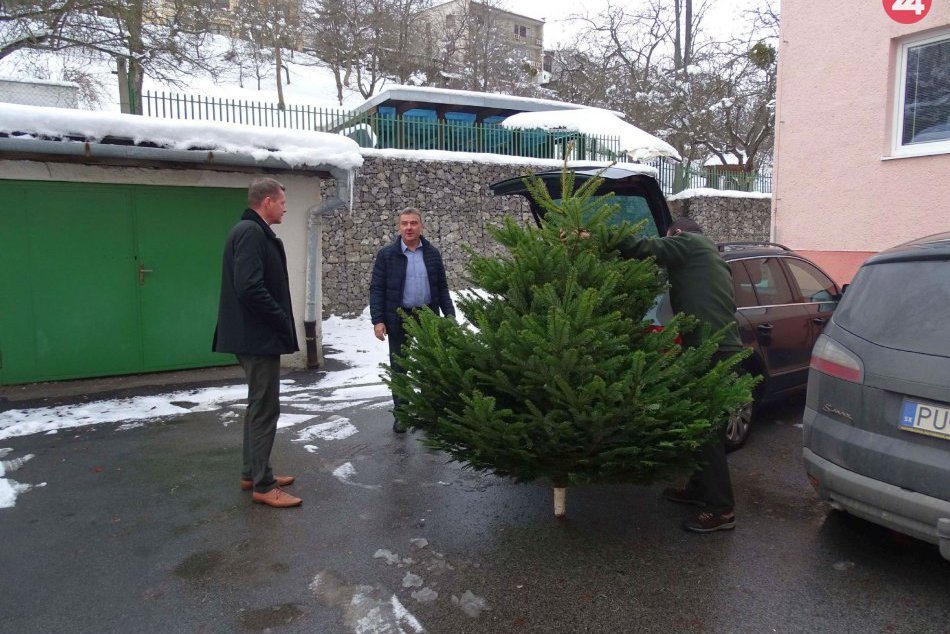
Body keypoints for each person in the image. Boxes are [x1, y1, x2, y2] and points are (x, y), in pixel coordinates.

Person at [618, 216, 744, 533]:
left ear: (676, 233)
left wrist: (600, 237)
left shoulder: (688, 242)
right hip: (722, 345)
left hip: (709, 349)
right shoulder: (713, 255)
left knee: (706, 428)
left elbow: (647, 247)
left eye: (669, 238)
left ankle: (721, 510)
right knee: (699, 422)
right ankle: (699, 489)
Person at [212, 177, 301, 508]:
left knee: (258, 406)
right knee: (265, 408)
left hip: (254, 335)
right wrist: (280, 317)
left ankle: (253, 472)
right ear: (266, 202)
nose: (285, 207)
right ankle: (263, 485)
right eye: (281, 202)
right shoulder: (250, 233)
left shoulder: (249, 231)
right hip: (257, 336)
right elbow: (249, 287)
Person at [370, 207, 455, 433]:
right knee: (399, 366)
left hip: (427, 316)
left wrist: (449, 316)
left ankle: (429, 413)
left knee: (431, 366)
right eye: (405, 223)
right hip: (399, 317)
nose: (409, 227)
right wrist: (378, 320)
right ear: (399, 227)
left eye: (413, 223)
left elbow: (442, 288)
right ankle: (402, 414)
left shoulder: (432, 254)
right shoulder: (387, 255)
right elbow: (377, 288)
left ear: (421, 226)